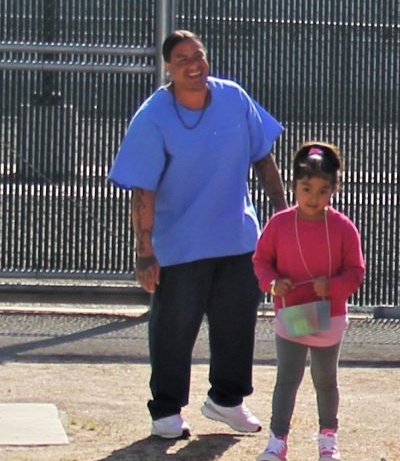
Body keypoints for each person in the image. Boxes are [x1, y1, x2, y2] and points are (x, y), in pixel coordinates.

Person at [108, 30, 288, 439]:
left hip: (238, 238)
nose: (194, 65)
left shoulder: (233, 98)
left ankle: (227, 401)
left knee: (236, 323)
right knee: (175, 328)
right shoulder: (153, 116)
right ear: (168, 67)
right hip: (180, 246)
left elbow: (263, 157)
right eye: (182, 58)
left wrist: (282, 213)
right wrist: (145, 252)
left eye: (199, 55)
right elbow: (143, 190)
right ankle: (166, 410)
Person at [252, 142, 365, 461]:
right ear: (294, 187)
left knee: (325, 379)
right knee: (287, 378)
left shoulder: (343, 228)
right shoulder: (279, 223)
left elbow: (355, 271)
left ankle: (328, 437)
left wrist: (332, 288)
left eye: (322, 190)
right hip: (292, 315)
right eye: (306, 189)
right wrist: (273, 283)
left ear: (334, 189)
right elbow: (261, 262)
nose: (313, 197)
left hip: (327, 316)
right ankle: (277, 441)